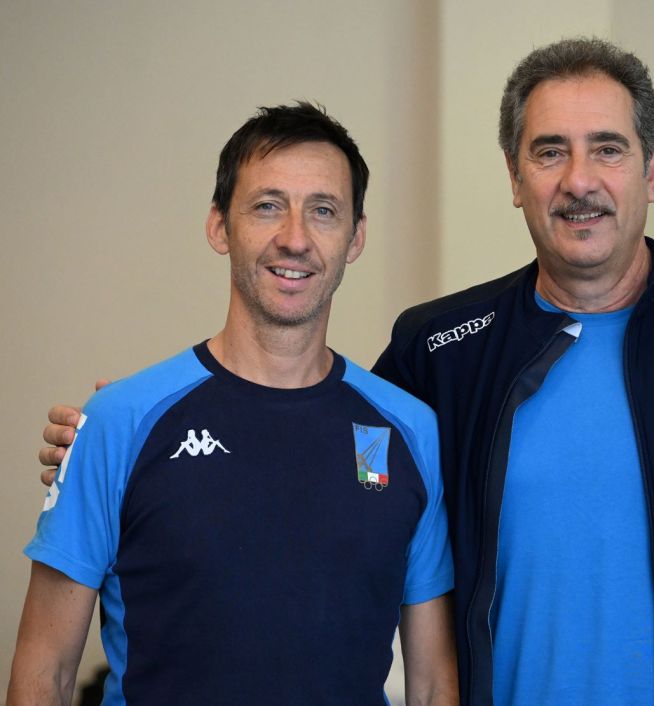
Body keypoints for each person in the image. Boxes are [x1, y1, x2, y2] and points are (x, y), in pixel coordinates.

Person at [38, 40, 654, 705]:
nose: (579, 180)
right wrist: (119, 441)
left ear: (651, 170)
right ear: (514, 176)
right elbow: (312, 429)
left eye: (608, 148)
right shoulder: (441, 350)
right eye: (549, 152)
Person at [12, 103, 457, 706]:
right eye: (267, 206)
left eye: (323, 210)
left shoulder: (408, 431)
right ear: (220, 226)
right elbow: (44, 673)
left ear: (355, 237)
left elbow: (432, 687)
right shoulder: (119, 422)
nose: (295, 238)